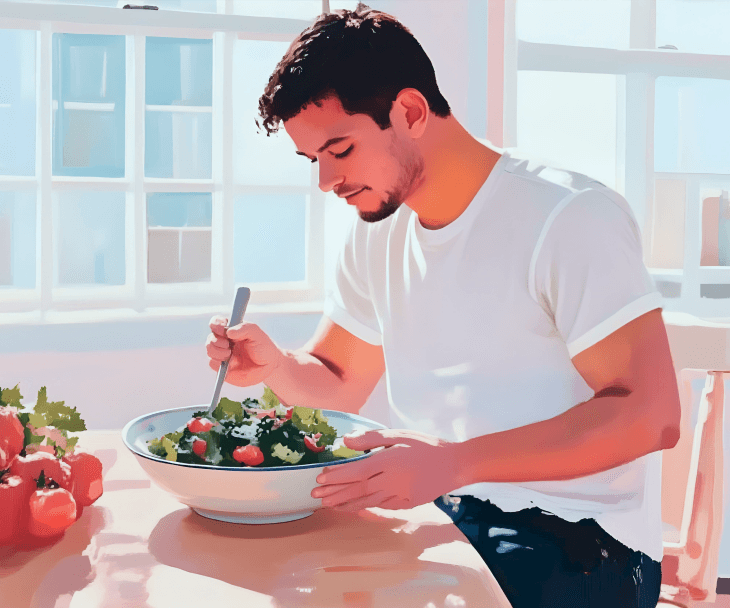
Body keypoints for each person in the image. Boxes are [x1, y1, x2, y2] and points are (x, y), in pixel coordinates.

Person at [205, 5, 680, 607]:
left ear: (409, 111)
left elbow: (652, 414)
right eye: (313, 161)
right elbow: (340, 381)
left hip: (579, 537)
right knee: (280, 575)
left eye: (340, 150)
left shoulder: (567, 217)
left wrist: (452, 465)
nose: (325, 181)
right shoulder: (377, 231)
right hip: (447, 506)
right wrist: (274, 367)